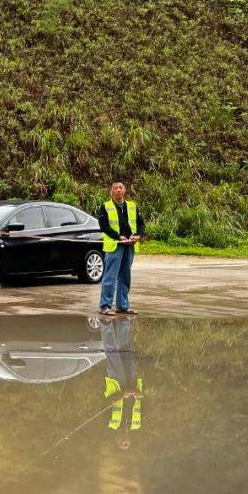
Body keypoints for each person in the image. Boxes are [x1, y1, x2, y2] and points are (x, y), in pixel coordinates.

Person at [97, 181, 146, 317]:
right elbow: (104, 226)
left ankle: (123, 306)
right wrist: (118, 236)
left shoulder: (132, 206)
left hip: (129, 246)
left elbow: (141, 224)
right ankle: (105, 306)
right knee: (110, 277)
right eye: (115, 188)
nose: (118, 190)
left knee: (125, 276)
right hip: (115, 246)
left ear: (125, 190)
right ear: (111, 192)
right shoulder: (105, 207)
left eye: (121, 188)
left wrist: (139, 235)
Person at [100, 313, 143, 449]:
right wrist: (139, 394)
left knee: (112, 352)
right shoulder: (136, 424)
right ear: (130, 440)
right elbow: (144, 401)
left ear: (117, 440)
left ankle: (105, 322)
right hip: (133, 383)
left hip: (117, 383)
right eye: (127, 443)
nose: (125, 441)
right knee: (127, 351)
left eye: (122, 443)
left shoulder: (110, 423)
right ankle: (122, 321)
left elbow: (105, 402)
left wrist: (122, 395)